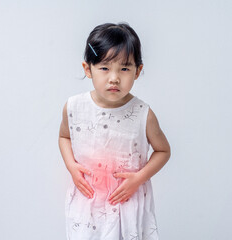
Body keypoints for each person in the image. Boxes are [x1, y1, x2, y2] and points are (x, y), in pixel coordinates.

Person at [58, 22, 171, 240]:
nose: (114, 78)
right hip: (88, 203)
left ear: (138, 71)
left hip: (127, 202)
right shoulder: (74, 107)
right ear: (87, 68)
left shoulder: (142, 113)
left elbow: (163, 151)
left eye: (124, 69)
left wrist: (139, 178)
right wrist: (71, 166)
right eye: (104, 68)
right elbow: (64, 136)